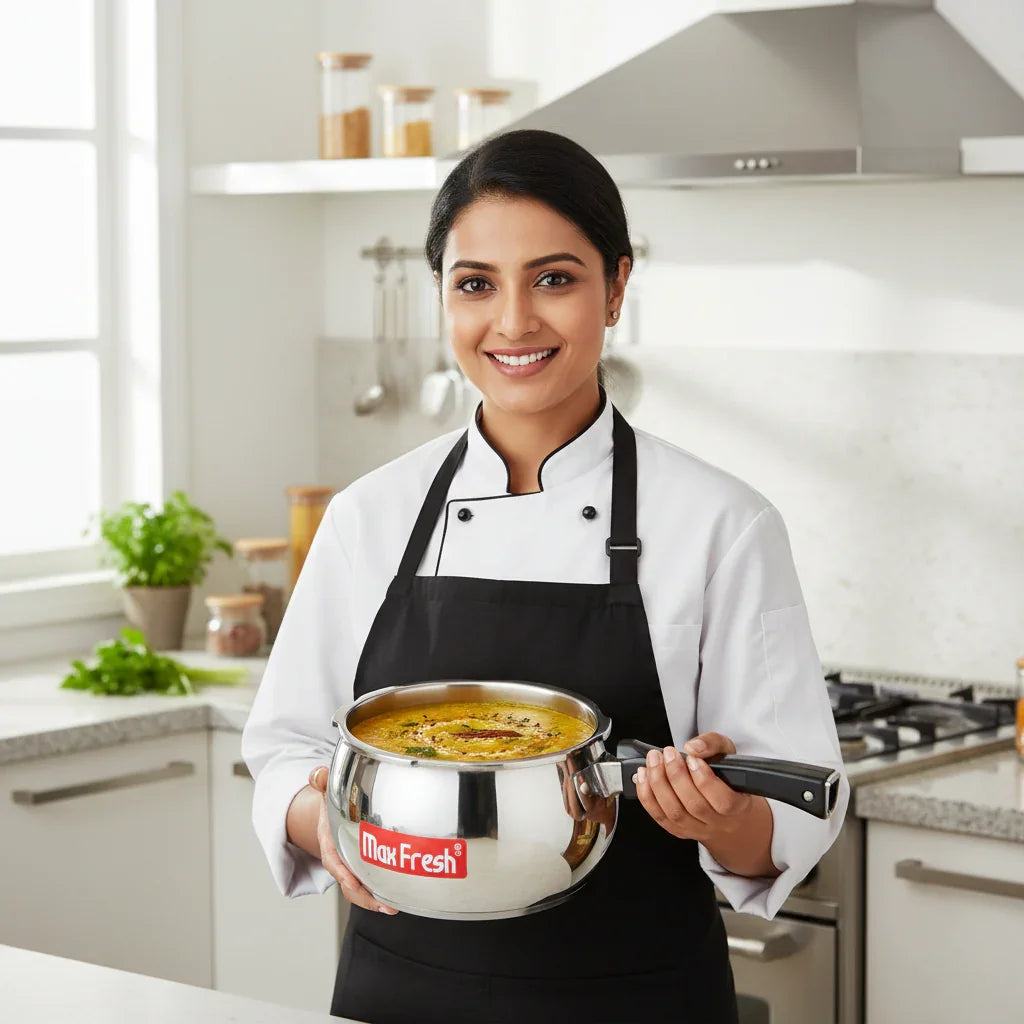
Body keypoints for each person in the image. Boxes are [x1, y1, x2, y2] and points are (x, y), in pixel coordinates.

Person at [241, 129, 849, 1024]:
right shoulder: (371, 516)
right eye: (475, 284)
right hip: (400, 988)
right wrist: (326, 821)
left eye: (555, 279)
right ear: (443, 297)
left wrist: (714, 818)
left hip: (635, 996)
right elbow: (287, 751)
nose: (514, 322)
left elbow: (781, 824)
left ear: (617, 288)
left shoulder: (722, 524)